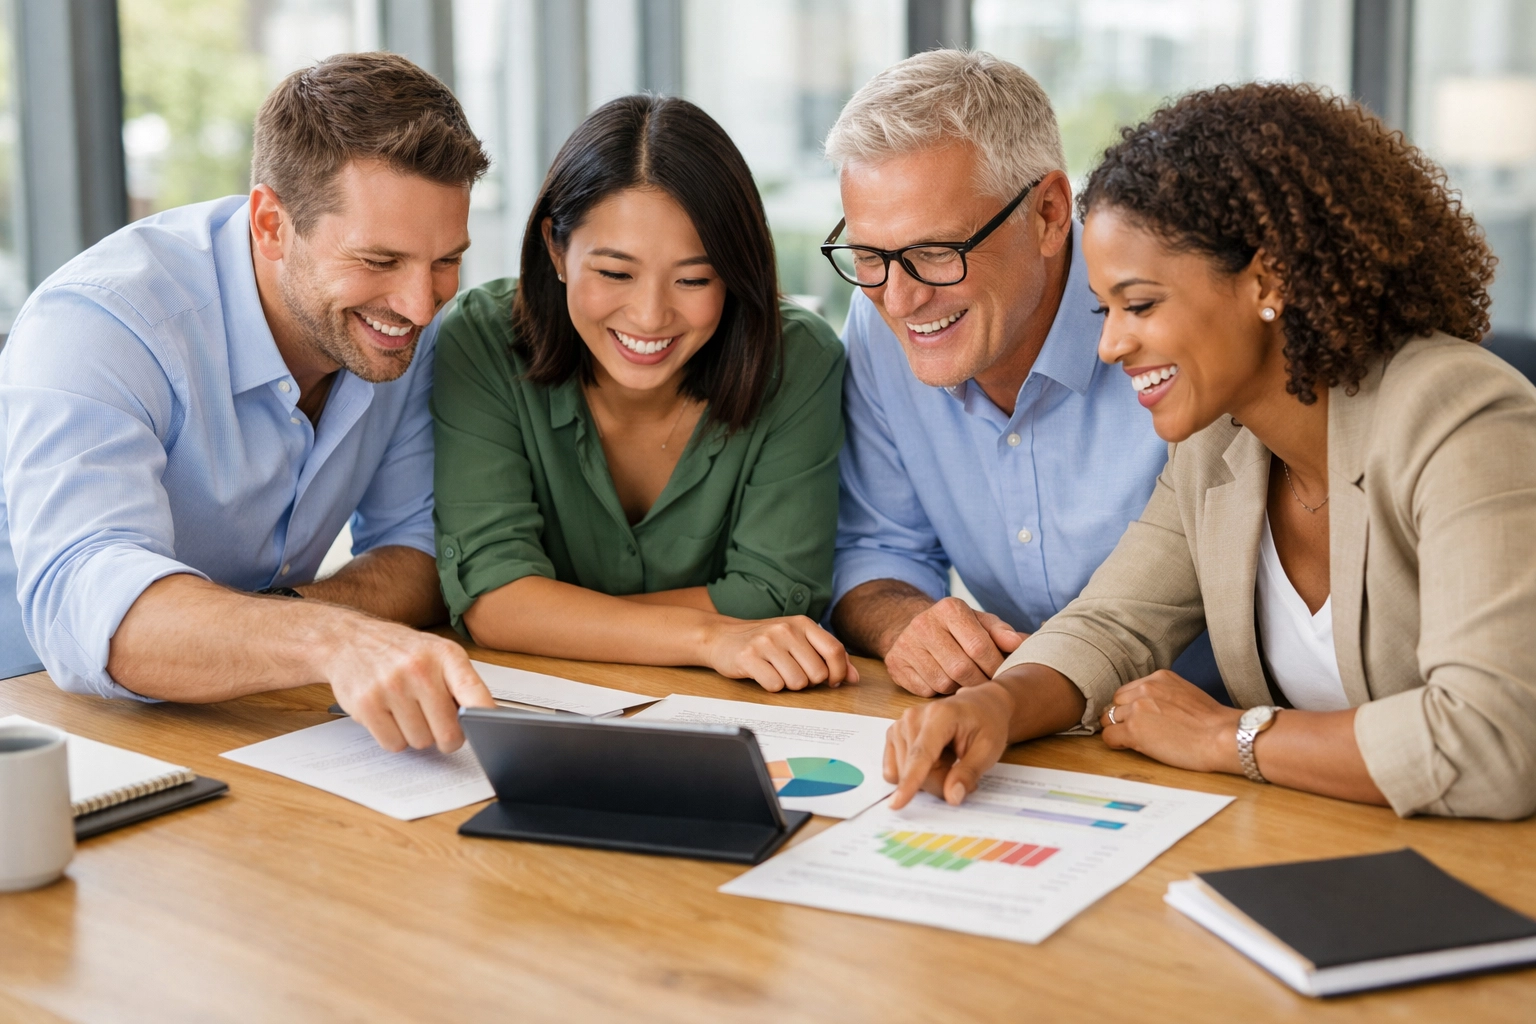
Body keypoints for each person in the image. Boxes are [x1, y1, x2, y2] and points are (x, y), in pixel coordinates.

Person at [886, 82, 1536, 820]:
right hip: (1323, 850)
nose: (1109, 344)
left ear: (1267, 280)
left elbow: (1492, 740)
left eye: (1142, 304)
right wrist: (996, 707)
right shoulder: (1219, 443)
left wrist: (1228, 737)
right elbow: (1113, 624)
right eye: (1105, 309)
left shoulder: (1460, 417)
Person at [0, 53, 498, 753]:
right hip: (40, 720)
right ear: (271, 224)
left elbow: (416, 554)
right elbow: (91, 602)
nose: (420, 304)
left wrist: (289, 626)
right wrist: (329, 638)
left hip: (239, 710)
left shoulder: (396, 328)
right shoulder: (99, 323)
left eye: (446, 260)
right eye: (379, 262)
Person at [822, 49, 1220, 698]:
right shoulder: (880, 321)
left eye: (935, 252)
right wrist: (908, 625)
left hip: (1209, 736)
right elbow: (877, 546)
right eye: (869, 256)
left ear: (1049, 215)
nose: (898, 299)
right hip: (1024, 726)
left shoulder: (1175, 323)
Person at [431, 95, 854, 693]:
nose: (651, 316)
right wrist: (710, 636)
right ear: (556, 249)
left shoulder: (799, 360)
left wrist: (554, 614)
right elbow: (496, 599)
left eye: (693, 279)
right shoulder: (483, 337)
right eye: (615, 273)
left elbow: (771, 594)